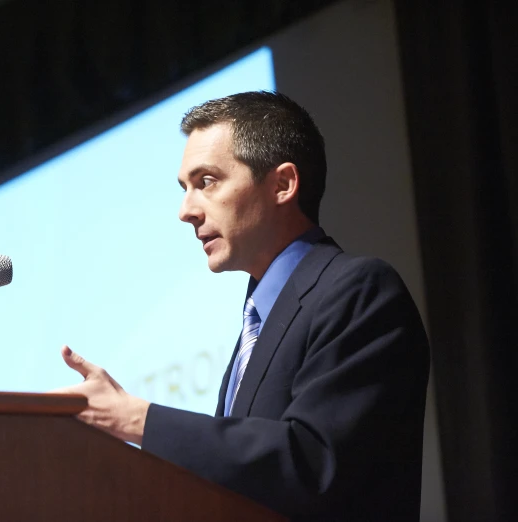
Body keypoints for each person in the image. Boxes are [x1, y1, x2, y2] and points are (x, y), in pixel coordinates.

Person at [53, 91, 430, 522]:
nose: (185, 211)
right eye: (184, 188)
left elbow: (314, 463)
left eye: (206, 182)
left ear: (283, 185)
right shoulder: (258, 322)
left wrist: (139, 419)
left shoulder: (359, 290)